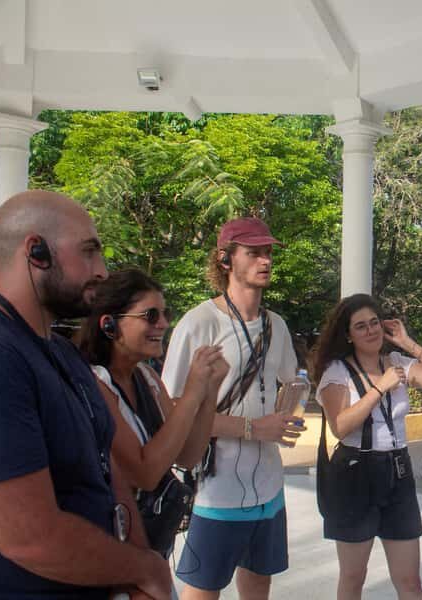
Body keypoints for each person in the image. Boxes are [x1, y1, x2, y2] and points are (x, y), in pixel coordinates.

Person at [0, 190, 172, 598]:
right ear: (36, 251)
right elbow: (28, 537)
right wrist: (145, 568)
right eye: (89, 252)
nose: (102, 271)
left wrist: (142, 574)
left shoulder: (63, 353)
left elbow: (109, 474)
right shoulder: (1, 357)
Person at [161, 217, 303, 599]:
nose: (265, 260)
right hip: (215, 491)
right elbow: (171, 408)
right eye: (253, 252)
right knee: (203, 590)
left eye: (268, 252)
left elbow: (292, 382)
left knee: (258, 585)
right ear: (225, 259)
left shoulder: (276, 325)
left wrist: (287, 417)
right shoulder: (199, 322)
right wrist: (253, 428)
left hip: (269, 489)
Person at [311, 293, 422, 600]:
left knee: (410, 580)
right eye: (361, 326)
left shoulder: (396, 363)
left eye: (374, 322)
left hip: (397, 471)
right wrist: (380, 387)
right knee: (354, 577)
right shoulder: (337, 371)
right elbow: (340, 426)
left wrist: (407, 343)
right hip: (355, 473)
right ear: (348, 335)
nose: (371, 331)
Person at [78, 269, 229, 555]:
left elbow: (187, 456)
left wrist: (210, 391)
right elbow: (145, 473)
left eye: (165, 314)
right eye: (150, 315)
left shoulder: (147, 378)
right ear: (109, 324)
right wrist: (192, 391)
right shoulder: (93, 384)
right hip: (110, 544)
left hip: (148, 541)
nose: (163, 324)